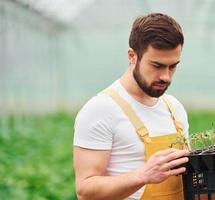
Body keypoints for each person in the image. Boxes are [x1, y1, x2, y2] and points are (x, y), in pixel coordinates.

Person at [73, 13, 190, 200]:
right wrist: (142, 175)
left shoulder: (174, 108)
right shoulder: (100, 109)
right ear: (132, 56)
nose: (166, 76)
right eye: (157, 65)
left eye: (172, 66)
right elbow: (85, 191)